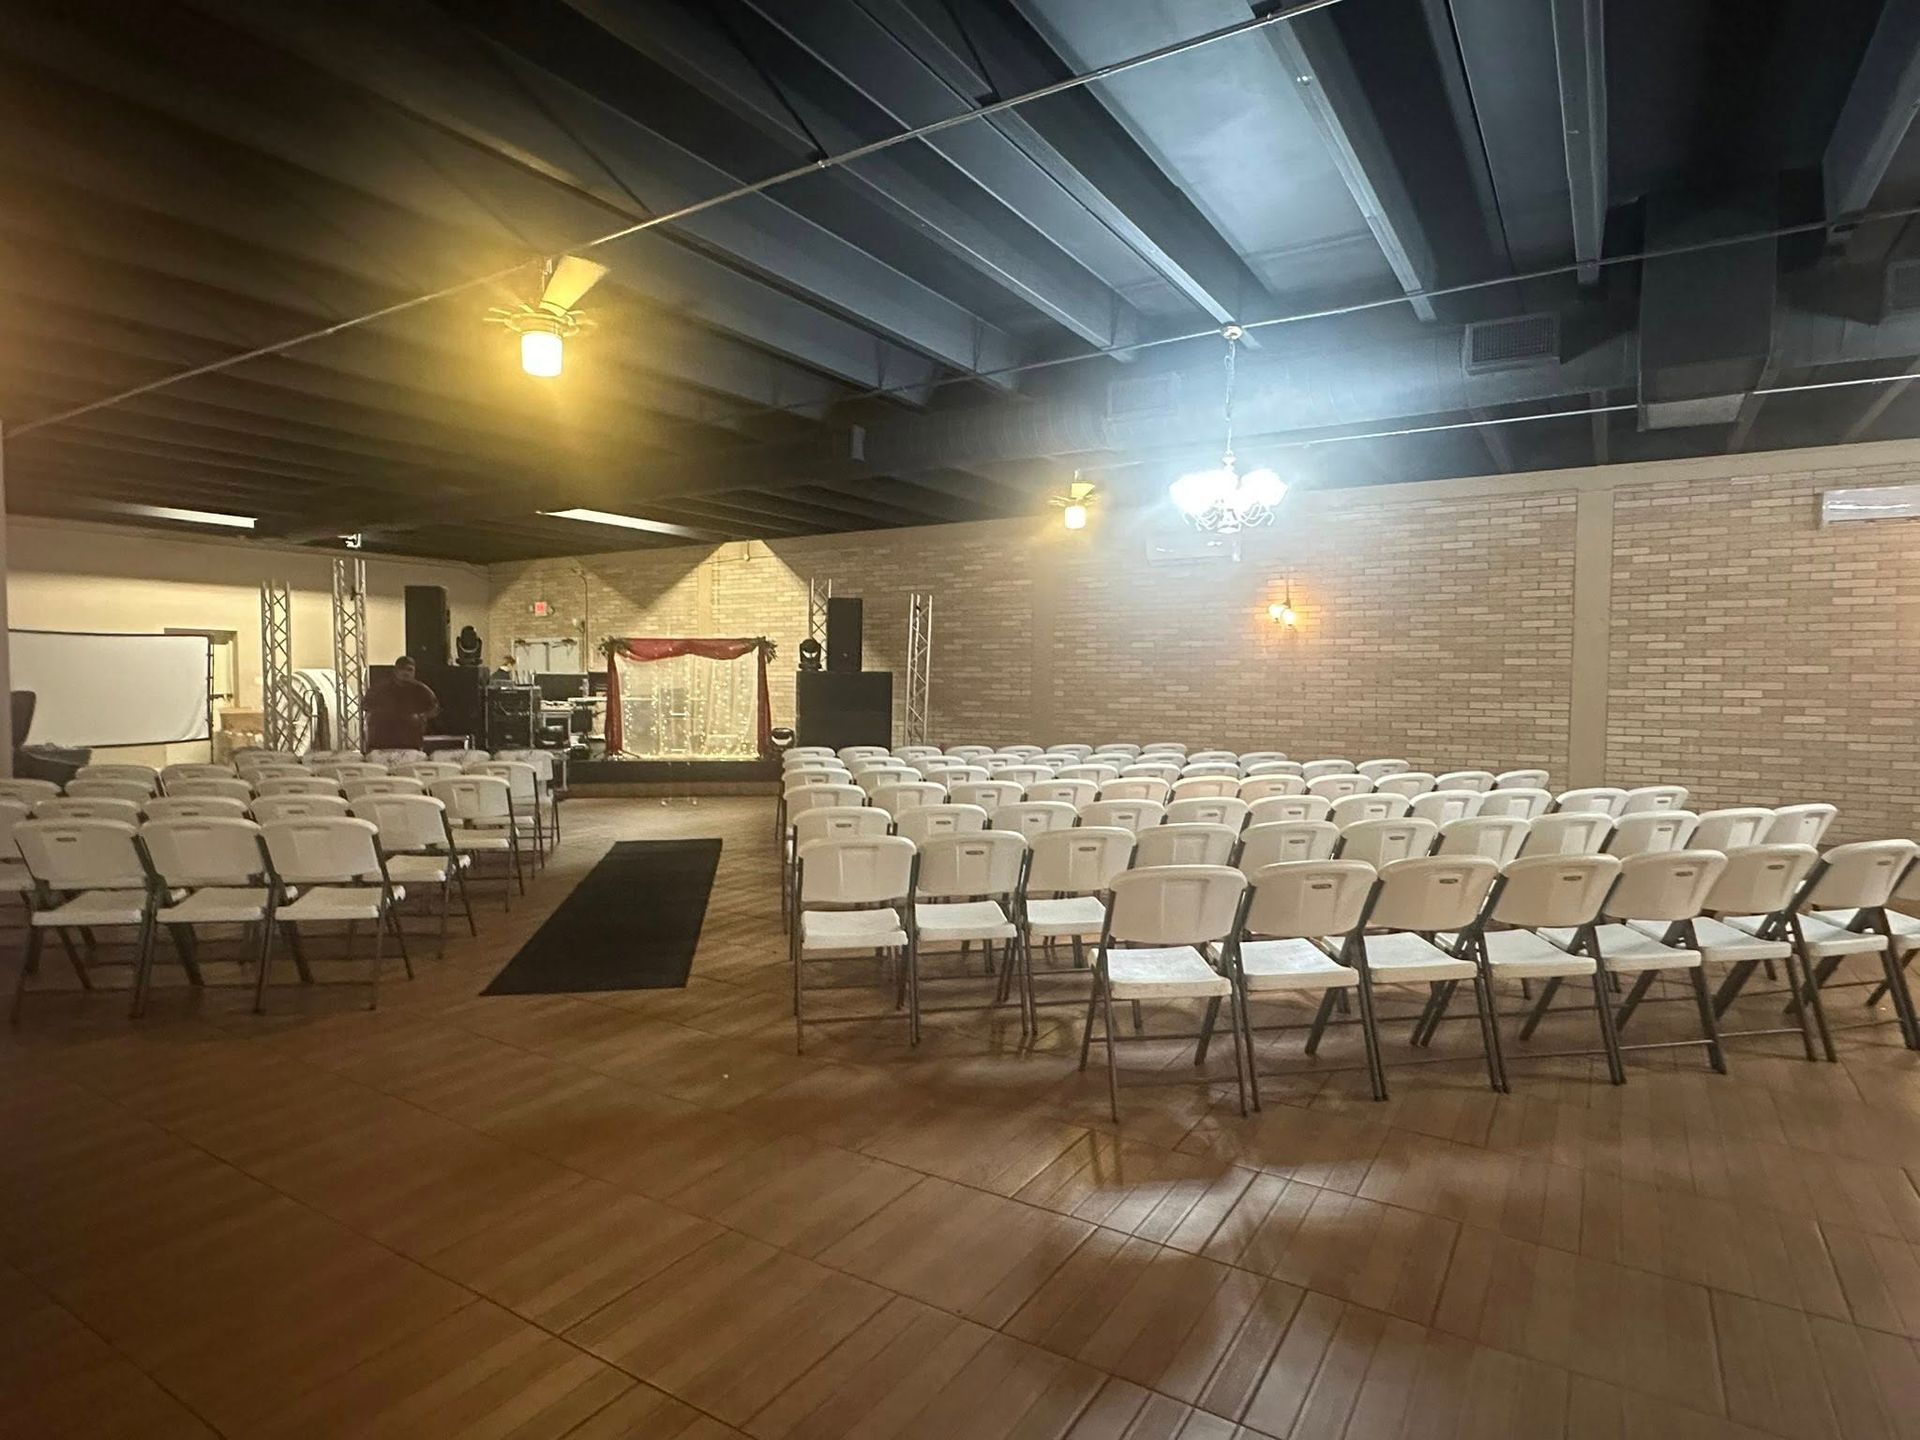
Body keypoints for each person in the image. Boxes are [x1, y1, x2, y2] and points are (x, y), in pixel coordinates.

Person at [365, 655, 439, 749]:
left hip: (410, 741)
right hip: (381, 741)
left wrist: (420, 717)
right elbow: (366, 706)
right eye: (402, 669)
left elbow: (434, 710)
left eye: (409, 670)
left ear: (414, 672)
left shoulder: (423, 691)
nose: (406, 673)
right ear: (395, 671)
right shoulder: (379, 689)